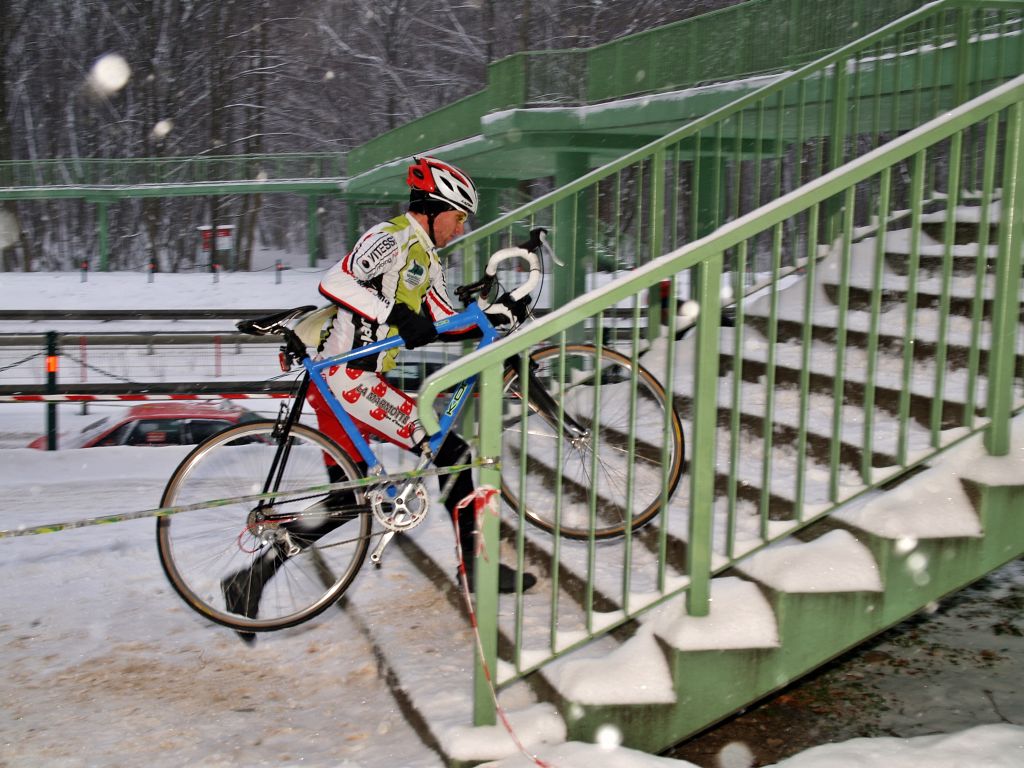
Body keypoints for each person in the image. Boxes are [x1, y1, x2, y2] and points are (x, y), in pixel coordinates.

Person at [222, 157, 536, 632]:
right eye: (457, 217)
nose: (460, 229)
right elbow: (336, 280)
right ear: (432, 208)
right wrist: (396, 315)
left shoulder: (427, 258)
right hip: (352, 380)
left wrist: (493, 315)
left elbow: (441, 321)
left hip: (346, 383)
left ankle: (251, 578)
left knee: (347, 498)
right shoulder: (391, 237)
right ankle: (476, 569)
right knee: (452, 452)